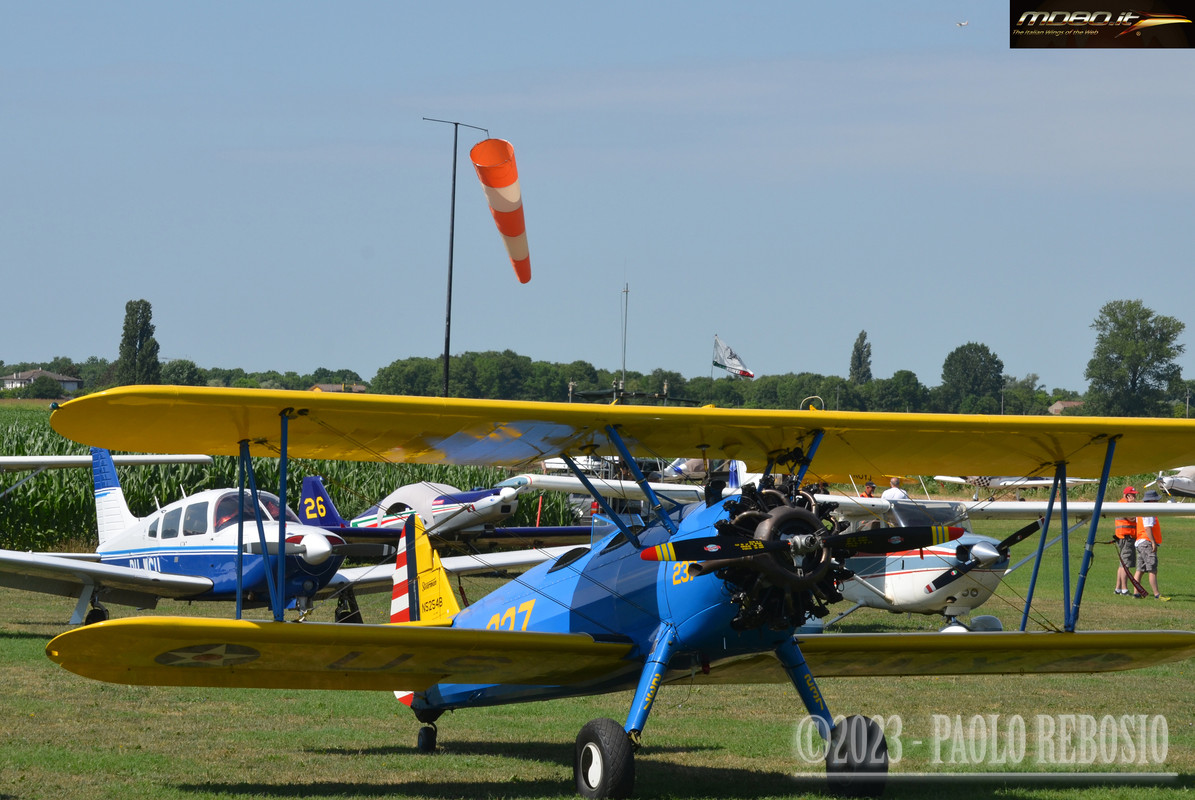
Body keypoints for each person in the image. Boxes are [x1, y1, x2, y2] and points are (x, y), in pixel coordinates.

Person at [1133, 490, 1170, 600]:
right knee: (1152, 569)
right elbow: (1148, 528)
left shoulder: (1141, 510)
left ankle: (1136, 593)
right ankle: (1157, 594)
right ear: (1152, 501)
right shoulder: (1149, 511)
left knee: (1140, 569)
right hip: (1146, 542)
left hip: (1140, 542)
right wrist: (1153, 542)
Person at [1113, 486, 1138, 595]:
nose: (1135, 497)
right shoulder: (1125, 505)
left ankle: (1118, 588)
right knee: (1125, 564)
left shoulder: (1121, 504)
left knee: (1122, 563)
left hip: (1123, 537)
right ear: (1127, 496)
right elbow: (1131, 518)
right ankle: (1124, 589)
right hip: (1127, 537)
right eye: (1133, 495)